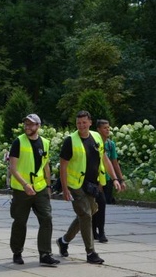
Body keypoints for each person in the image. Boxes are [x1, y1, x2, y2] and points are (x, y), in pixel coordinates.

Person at [57, 111, 123, 264]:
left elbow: (104, 159)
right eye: (78, 123)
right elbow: (63, 167)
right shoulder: (70, 141)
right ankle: (90, 252)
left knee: (88, 212)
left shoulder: (96, 137)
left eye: (84, 123)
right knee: (86, 215)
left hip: (92, 184)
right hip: (75, 185)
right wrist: (65, 189)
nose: (81, 125)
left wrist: (114, 179)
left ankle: (64, 241)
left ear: (90, 123)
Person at [8, 114, 60, 267]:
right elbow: (13, 168)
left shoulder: (45, 143)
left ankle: (45, 253)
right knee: (20, 222)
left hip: (40, 188)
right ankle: (17, 252)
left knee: (47, 218)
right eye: (26, 124)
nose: (27, 127)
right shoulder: (18, 142)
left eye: (31, 124)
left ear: (38, 126)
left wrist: (49, 186)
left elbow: (46, 165)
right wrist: (24, 184)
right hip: (21, 190)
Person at [93, 119, 127, 243]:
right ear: (98, 130)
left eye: (108, 127)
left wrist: (119, 179)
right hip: (95, 178)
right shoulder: (93, 143)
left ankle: (97, 230)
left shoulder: (110, 144)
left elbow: (114, 162)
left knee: (101, 204)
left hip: (107, 178)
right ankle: (98, 231)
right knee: (98, 204)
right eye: (104, 128)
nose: (107, 130)